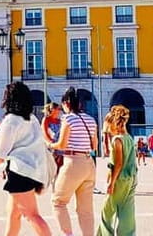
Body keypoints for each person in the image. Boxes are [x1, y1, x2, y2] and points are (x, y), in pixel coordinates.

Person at [0, 82, 55, 236]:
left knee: (31, 214)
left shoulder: (10, 121)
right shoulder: (32, 119)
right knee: (14, 214)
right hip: (33, 170)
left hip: (19, 172)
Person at [47, 86, 98, 236]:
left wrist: (49, 144)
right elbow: (94, 145)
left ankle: (68, 234)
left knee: (59, 202)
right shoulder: (90, 119)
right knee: (86, 210)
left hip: (73, 162)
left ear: (66, 103)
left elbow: (62, 144)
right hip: (89, 163)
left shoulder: (67, 118)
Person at [97, 105, 137, 236]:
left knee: (107, 210)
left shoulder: (117, 140)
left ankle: (104, 234)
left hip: (119, 178)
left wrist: (111, 182)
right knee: (127, 210)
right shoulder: (129, 137)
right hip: (131, 177)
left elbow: (117, 164)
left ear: (112, 123)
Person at [41, 103, 64, 175]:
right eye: (58, 109)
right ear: (53, 110)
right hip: (50, 146)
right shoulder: (46, 119)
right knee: (51, 168)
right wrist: (52, 144)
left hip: (59, 146)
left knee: (60, 167)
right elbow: (45, 133)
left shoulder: (59, 121)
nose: (60, 111)